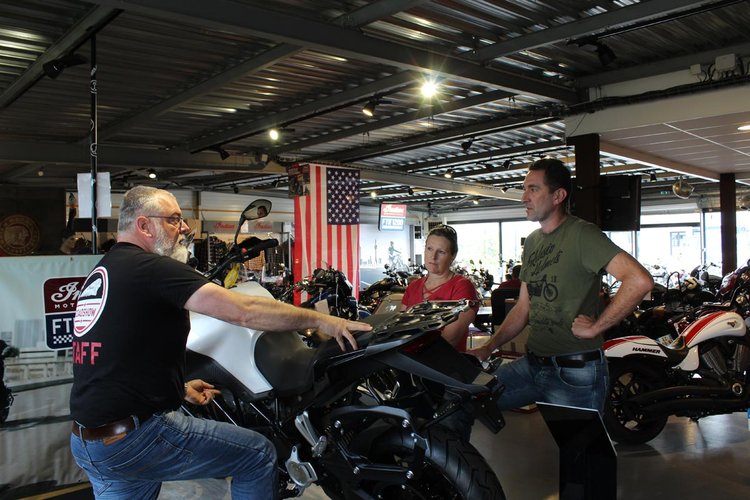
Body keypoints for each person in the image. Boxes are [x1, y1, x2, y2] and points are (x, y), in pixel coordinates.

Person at [69, 186, 372, 499]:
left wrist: (178, 389)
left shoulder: (106, 269)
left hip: (89, 441)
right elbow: (243, 311)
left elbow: (112, 355)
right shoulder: (151, 269)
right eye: (173, 220)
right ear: (143, 225)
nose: (184, 227)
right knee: (257, 455)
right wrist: (323, 319)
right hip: (137, 439)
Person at [468, 158, 653, 414]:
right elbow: (524, 307)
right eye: (524, 189)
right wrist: (489, 346)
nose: (524, 197)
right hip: (534, 365)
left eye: (533, 189)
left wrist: (598, 327)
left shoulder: (582, 235)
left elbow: (639, 279)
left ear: (558, 196)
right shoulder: (532, 242)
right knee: (469, 403)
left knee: (579, 452)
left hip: (575, 371)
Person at [401, 225, 480, 353]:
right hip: (408, 363)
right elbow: (401, 330)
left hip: (442, 364)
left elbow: (451, 338)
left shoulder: (462, 286)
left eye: (441, 252)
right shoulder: (413, 286)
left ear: (453, 255)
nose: (433, 257)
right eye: (429, 249)